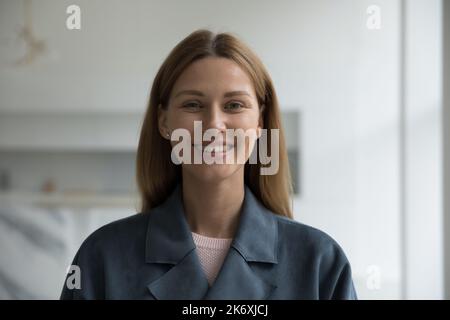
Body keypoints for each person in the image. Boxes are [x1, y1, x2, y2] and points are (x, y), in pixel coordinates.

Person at [60, 29, 357, 300]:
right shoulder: (101, 259)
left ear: (260, 122)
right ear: (164, 121)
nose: (213, 125)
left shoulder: (320, 264)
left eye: (234, 105)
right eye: (193, 105)